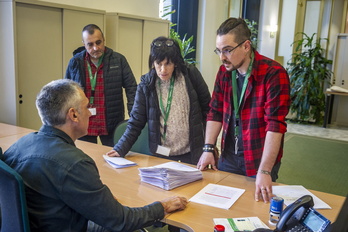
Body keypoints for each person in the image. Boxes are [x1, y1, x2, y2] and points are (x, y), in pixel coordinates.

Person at [2, 79, 187, 232]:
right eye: (87, 107)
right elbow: (121, 221)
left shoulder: (19, 145)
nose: (91, 113)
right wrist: (162, 207)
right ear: (73, 115)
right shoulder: (75, 164)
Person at [197, 17, 291, 203]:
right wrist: (208, 148)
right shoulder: (224, 72)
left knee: (254, 209)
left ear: (246, 46)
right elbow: (215, 112)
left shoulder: (273, 74)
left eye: (227, 50)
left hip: (259, 156)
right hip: (229, 155)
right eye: (219, 50)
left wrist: (265, 170)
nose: (222, 57)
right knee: (221, 204)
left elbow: (275, 125)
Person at [106, 36, 211, 165]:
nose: (163, 70)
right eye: (158, 64)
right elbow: (136, 121)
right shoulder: (147, 84)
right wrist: (120, 148)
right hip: (161, 154)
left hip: (192, 153)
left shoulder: (190, 76)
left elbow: (209, 111)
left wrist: (208, 147)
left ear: (176, 62)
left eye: (168, 64)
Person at [65, 24, 137, 147]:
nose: (95, 48)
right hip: (84, 122)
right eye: (90, 44)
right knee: (86, 157)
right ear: (84, 44)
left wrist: (134, 116)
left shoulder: (118, 60)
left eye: (98, 42)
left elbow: (132, 88)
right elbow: (67, 92)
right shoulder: (75, 62)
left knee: (113, 158)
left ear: (104, 40)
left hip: (111, 122)